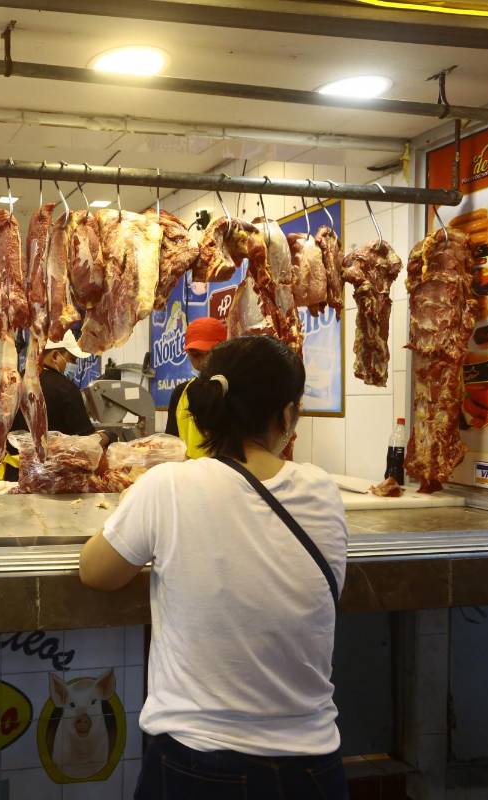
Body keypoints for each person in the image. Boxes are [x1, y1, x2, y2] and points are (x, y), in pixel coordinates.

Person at [79, 335, 348, 800]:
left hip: (198, 764)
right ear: (286, 416)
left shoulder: (167, 486)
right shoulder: (323, 491)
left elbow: (96, 572)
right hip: (313, 770)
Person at [0, 330, 106, 480]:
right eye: (71, 359)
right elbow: (86, 446)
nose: (72, 365)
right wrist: (105, 436)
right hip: (53, 482)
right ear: (54, 356)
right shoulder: (66, 389)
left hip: (13, 480)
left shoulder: (9, 384)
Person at [164, 316, 227, 458]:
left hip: (229, 477)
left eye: (210, 354)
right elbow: (171, 443)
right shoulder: (180, 393)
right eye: (196, 355)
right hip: (187, 476)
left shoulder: (237, 390)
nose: (204, 362)